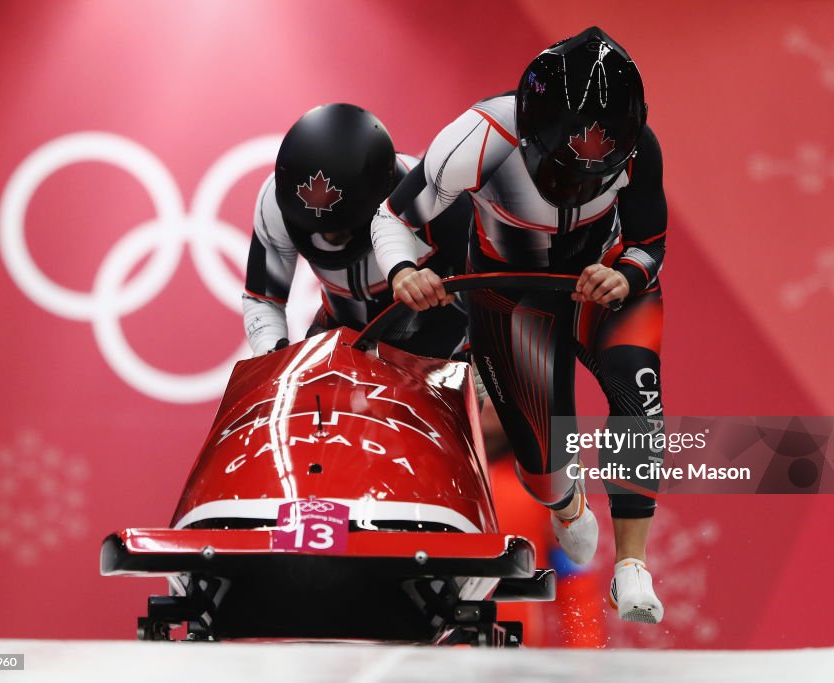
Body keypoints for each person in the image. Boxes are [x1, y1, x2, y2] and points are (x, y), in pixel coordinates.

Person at [371, 26, 667, 624]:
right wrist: (403, 270)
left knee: (640, 394)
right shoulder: (479, 138)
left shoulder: (640, 149)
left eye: (592, 179)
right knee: (540, 467)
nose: (576, 187)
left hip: (596, 280)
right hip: (509, 294)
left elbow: (647, 241)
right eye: (562, 173)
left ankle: (632, 565)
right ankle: (565, 498)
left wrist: (628, 277)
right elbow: (392, 217)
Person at [242, 103, 469, 358]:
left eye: (341, 230)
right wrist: (272, 356)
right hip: (339, 335)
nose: (329, 240)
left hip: (437, 345)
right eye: (315, 228)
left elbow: (487, 291)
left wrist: (480, 365)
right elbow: (264, 298)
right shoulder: (275, 202)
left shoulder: (432, 198)